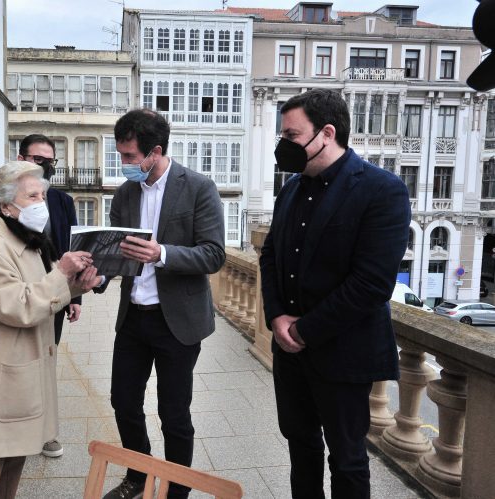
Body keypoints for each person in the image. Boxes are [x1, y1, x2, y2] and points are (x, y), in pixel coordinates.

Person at [260, 89, 411, 499]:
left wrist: (304, 330)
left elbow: (372, 283)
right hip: (290, 353)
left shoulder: (383, 190)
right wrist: (276, 317)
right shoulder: (290, 190)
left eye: (292, 135)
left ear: (326, 133)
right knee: (301, 450)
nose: (284, 145)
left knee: (346, 460)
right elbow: (270, 255)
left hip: (344, 352)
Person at [0, 161, 100, 498]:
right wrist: (61, 272)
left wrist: (75, 286)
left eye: (42, 195)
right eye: (32, 196)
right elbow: (19, 305)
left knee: (11, 463)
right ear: (6, 205)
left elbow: (40, 290)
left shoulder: (22, 238)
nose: (41, 204)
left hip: (17, 377)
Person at [98, 109, 226, 499]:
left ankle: (176, 489)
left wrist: (163, 254)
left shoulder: (199, 187)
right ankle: (138, 475)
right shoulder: (125, 193)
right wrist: (98, 276)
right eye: (120, 155)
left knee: (174, 413)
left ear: (155, 152)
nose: (124, 165)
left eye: (130, 156)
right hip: (134, 317)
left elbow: (214, 254)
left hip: (178, 321)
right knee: (123, 401)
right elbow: (115, 252)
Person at [0, 134, 80, 458]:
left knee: (47, 360)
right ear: (21, 157)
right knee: (21, 363)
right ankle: (17, 425)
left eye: (50, 162)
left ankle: (47, 430)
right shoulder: (3, 200)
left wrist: (75, 296)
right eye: (38, 160)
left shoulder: (62, 201)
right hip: (19, 295)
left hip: (57, 294)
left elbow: (71, 248)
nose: (44, 166)